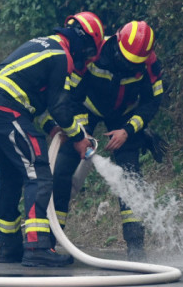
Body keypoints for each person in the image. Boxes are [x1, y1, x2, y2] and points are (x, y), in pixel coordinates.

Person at [0, 12, 104, 267]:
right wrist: (79, 137)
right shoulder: (60, 55)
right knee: (39, 173)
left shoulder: (44, 44)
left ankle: (9, 247)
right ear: (83, 41)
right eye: (89, 51)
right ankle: (36, 247)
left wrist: (53, 128)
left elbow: (39, 105)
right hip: (6, 108)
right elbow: (59, 105)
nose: (87, 58)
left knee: (11, 176)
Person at [52, 20, 164, 261]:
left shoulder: (150, 64)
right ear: (116, 43)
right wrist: (80, 133)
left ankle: (136, 247)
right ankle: (51, 240)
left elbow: (152, 101)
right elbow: (71, 95)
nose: (128, 66)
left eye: (135, 63)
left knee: (130, 175)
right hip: (86, 112)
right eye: (125, 60)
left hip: (124, 117)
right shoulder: (93, 53)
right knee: (62, 170)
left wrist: (129, 129)